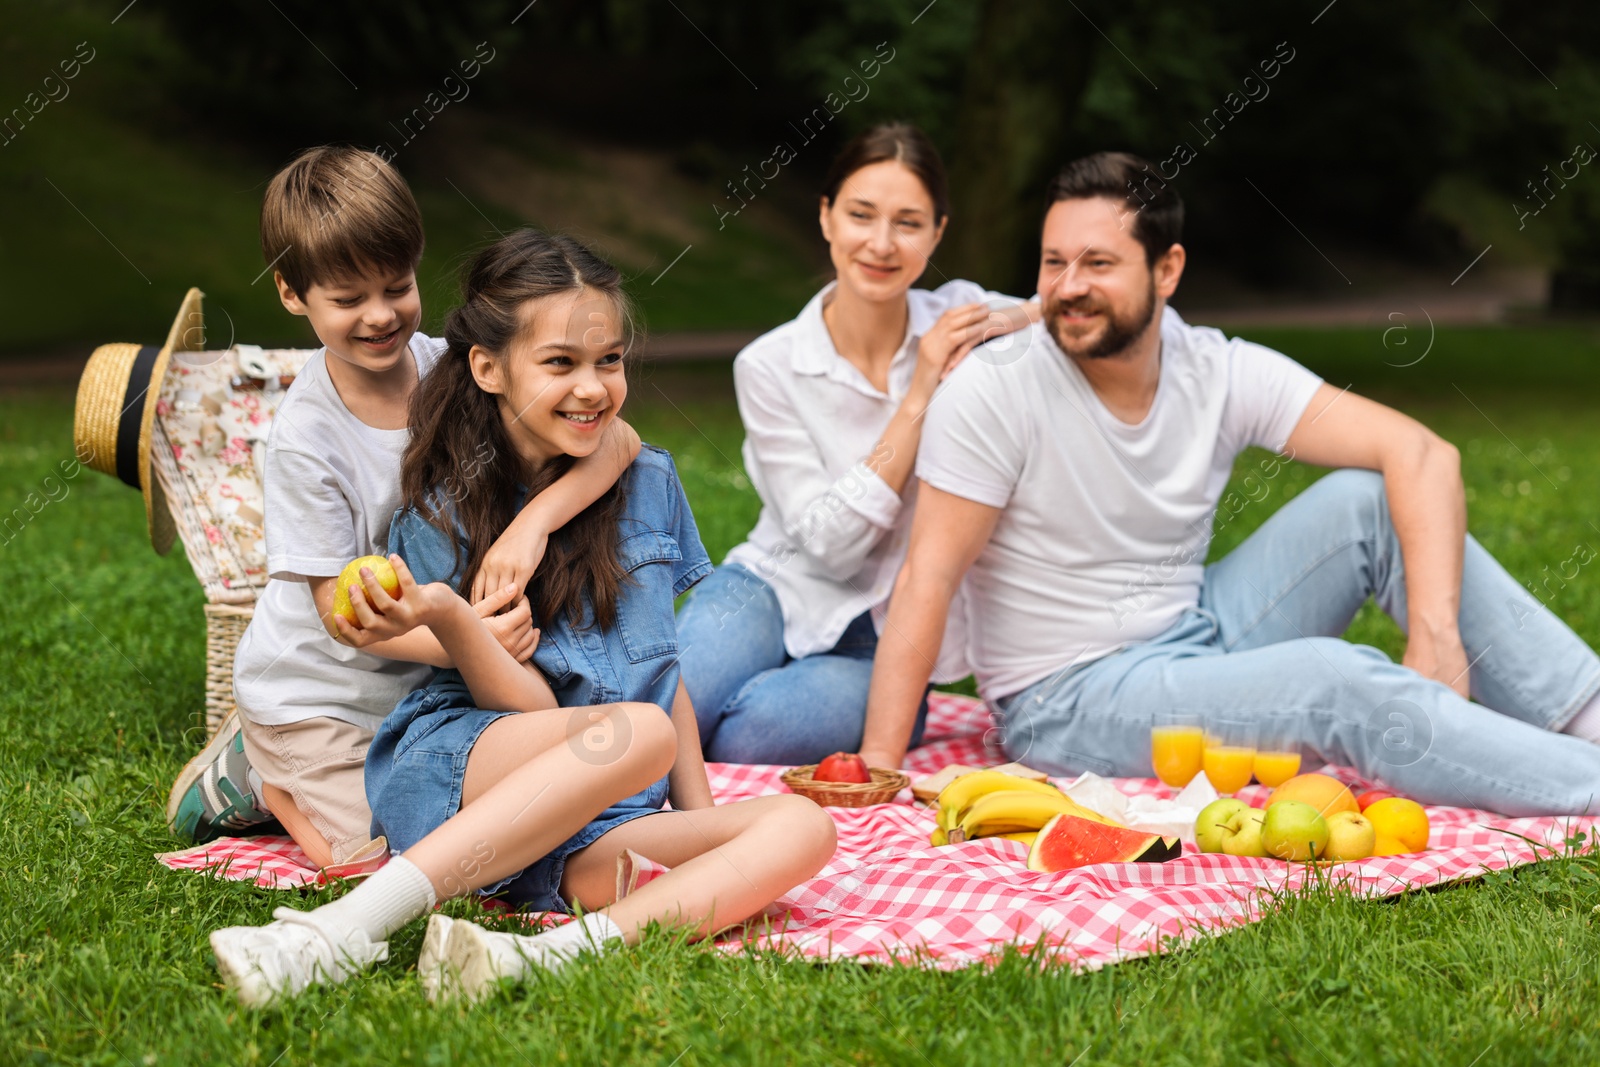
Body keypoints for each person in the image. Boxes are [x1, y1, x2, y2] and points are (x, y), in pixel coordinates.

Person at [863, 151, 1600, 816]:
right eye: (1053, 264)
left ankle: (1587, 720)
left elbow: (1423, 452)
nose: (1068, 287)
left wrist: (1436, 634)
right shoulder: (998, 387)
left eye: (1097, 263)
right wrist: (876, 767)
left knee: (1369, 502)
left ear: (1167, 270)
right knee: (1331, 682)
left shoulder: (1213, 368)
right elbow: (927, 575)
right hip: (1069, 696)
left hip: (1198, 629)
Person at [207, 229, 837, 1007]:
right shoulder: (443, 509)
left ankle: (540, 958)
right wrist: (444, 610)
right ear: (488, 368)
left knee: (805, 827)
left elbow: (661, 667)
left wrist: (701, 824)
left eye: (609, 360)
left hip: (599, 816)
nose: (594, 387)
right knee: (638, 731)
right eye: (561, 363)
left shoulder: (646, 482)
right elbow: (534, 708)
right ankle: (337, 930)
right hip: (462, 772)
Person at [167, 146, 640, 871]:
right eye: (348, 299)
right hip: (319, 695)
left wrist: (530, 525)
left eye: (397, 285)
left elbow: (619, 440)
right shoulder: (306, 438)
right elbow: (343, 619)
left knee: (506, 824)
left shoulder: (449, 369)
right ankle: (259, 775)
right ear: (293, 294)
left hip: (425, 693)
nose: (381, 315)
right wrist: (468, 635)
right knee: (390, 861)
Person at [676, 123, 1037, 765]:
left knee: (752, 737)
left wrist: (1005, 320)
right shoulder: (770, 364)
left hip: (887, 632)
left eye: (908, 222)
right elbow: (832, 546)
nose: (880, 243)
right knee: (673, 707)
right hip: (771, 584)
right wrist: (921, 390)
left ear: (937, 234)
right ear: (826, 217)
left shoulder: (958, 317)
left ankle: (776, 698)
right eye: (861, 215)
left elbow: (1076, 306)